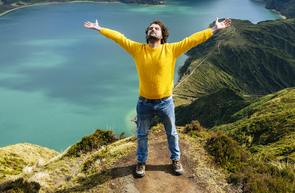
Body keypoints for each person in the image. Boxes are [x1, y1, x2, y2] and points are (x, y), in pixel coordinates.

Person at [84, 17, 231, 177]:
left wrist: (214, 29)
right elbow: (119, 38)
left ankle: (175, 159)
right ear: (147, 34)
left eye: (157, 29)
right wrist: (100, 29)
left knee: (172, 132)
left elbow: (192, 40)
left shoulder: (171, 50)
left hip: (165, 102)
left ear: (162, 36)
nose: (153, 29)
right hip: (144, 102)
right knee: (142, 134)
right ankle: (141, 162)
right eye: (150, 28)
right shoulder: (137, 49)